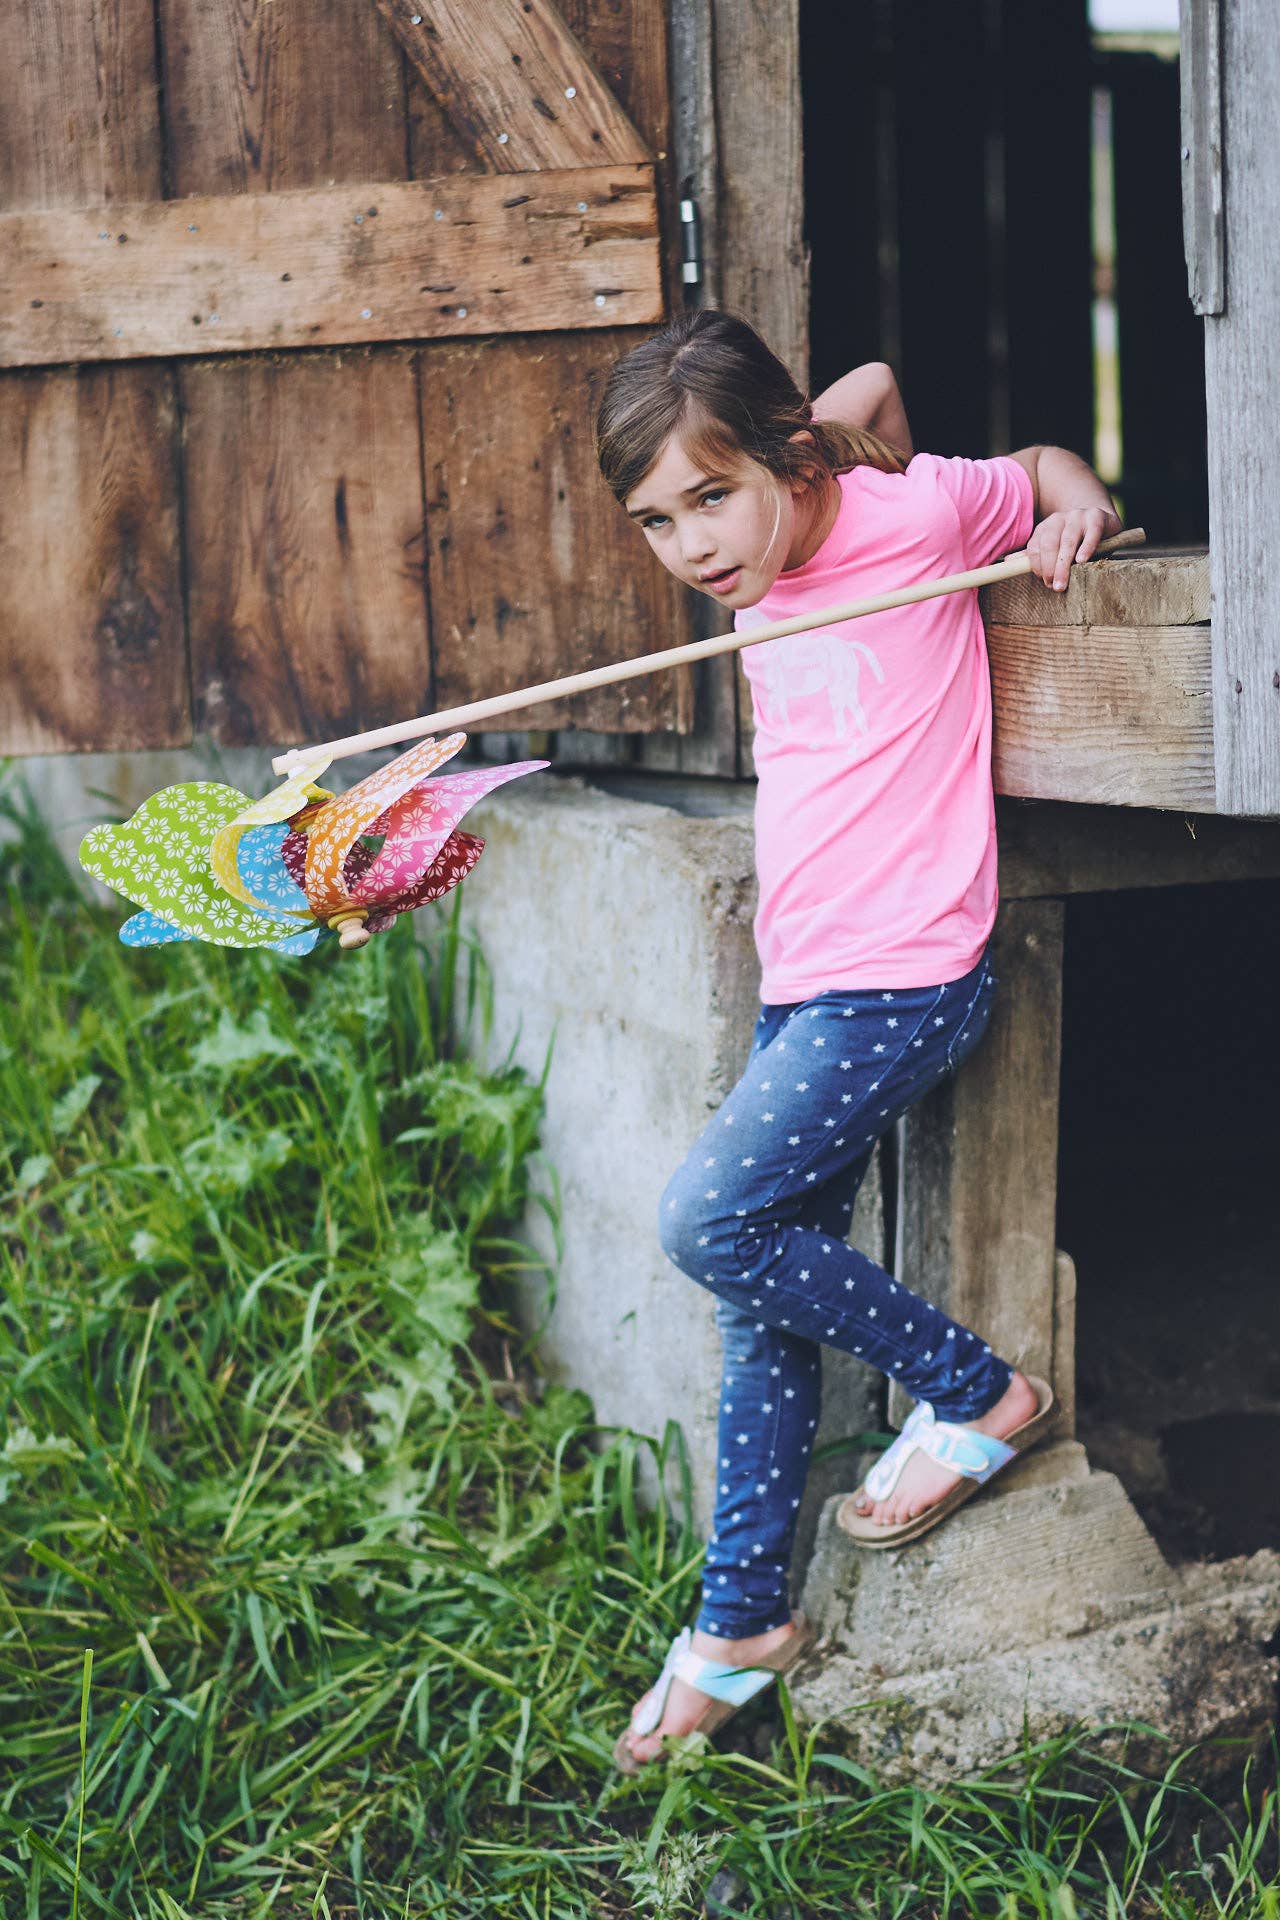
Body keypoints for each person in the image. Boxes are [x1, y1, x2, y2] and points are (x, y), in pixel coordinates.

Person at [594, 309, 1122, 1773]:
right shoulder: (776, 534)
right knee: (758, 1306)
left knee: (712, 1222)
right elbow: (874, 387)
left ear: (783, 457)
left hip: (907, 972)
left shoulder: (916, 517)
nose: (694, 547)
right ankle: (740, 1624)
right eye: (658, 521)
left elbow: (1036, 464)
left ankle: (976, 1391)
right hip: (807, 972)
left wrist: (1077, 505)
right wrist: (816, 442)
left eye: (712, 498)